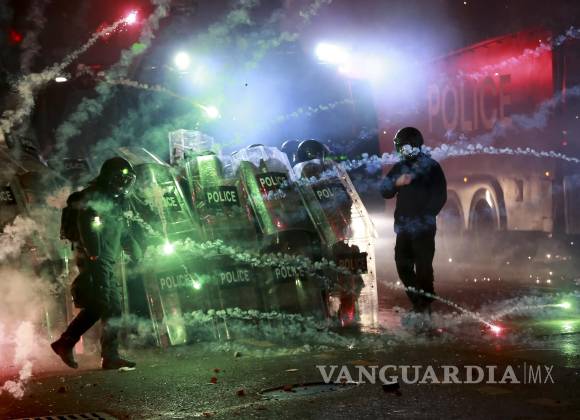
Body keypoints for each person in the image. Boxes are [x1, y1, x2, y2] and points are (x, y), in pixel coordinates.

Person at [51, 157, 142, 369]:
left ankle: (110, 356)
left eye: (127, 179)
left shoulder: (115, 200)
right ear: (109, 177)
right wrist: (93, 253)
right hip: (95, 260)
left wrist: (133, 248)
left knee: (114, 307)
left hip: (107, 260)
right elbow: (87, 223)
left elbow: (121, 229)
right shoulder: (94, 196)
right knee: (100, 303)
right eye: (120, 178)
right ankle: (65, 342)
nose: (124, 183)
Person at [380, 127, 447, 317]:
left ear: (414, 145)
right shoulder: (400, 167)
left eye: (403, 147)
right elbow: (384, 191)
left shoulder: (431, 167)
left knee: (423, 267)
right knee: (402, 265)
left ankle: (424, 304)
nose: (400, 151)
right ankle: (419, 301)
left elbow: (440, 196)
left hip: (423, 229)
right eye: (399, 147)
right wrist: (396, 182)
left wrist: (425, 217)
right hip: (403, 229)